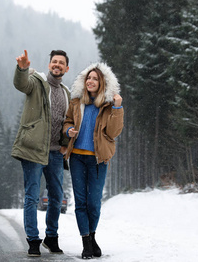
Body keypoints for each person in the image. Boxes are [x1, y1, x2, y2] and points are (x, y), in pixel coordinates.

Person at [11, 49, 71, 257]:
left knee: (56, 197)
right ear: (49, 65)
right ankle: (33, 240)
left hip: (55, 154)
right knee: (32, 196)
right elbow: (21, 84)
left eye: (61, 63)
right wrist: (22, 69)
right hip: (34, 151)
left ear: (66, 68)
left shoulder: (66, 93)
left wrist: (65, 142)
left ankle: (51, 238)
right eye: (54, 61)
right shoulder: (36, 83)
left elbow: (67, 122)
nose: (57, 65)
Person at [63, 62, 124, 259]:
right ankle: (86, 243)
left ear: (102, 82)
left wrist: (117, 107)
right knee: (80, 202)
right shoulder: (76, 101)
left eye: (95, 78)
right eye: (88, 78)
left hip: (98, 159)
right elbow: (67, 121)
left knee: (94, 203)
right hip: (77, 158)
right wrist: (68, 130)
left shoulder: (108, 105)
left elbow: (114, 132)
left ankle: (92, 237)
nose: (90, 81)